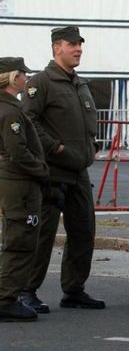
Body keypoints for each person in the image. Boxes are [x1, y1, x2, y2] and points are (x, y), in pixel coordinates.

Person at [20, 26, 104, 313]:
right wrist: (54, 148)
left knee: (84, 231)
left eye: (80, 44)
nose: (78, 49)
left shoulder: (79, 84)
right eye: (72, 44)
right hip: (52, 172)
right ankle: (27, 290)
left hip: (79, 171)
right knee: (42, 234)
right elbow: (29, 122)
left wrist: (89, 148)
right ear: (57, 48)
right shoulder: (41, 83)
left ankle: (74, 290)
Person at [0, 57, 50, 322]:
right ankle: (5, 299)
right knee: (20, 240)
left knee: (20, 237)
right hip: (19, 184)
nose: (26, 78)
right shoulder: (9, 111)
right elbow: (17, 151)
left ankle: (9, 294)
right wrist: (42, 171)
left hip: (18, 182)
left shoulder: (12, 107)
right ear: (11, 77)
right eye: (22, 74)